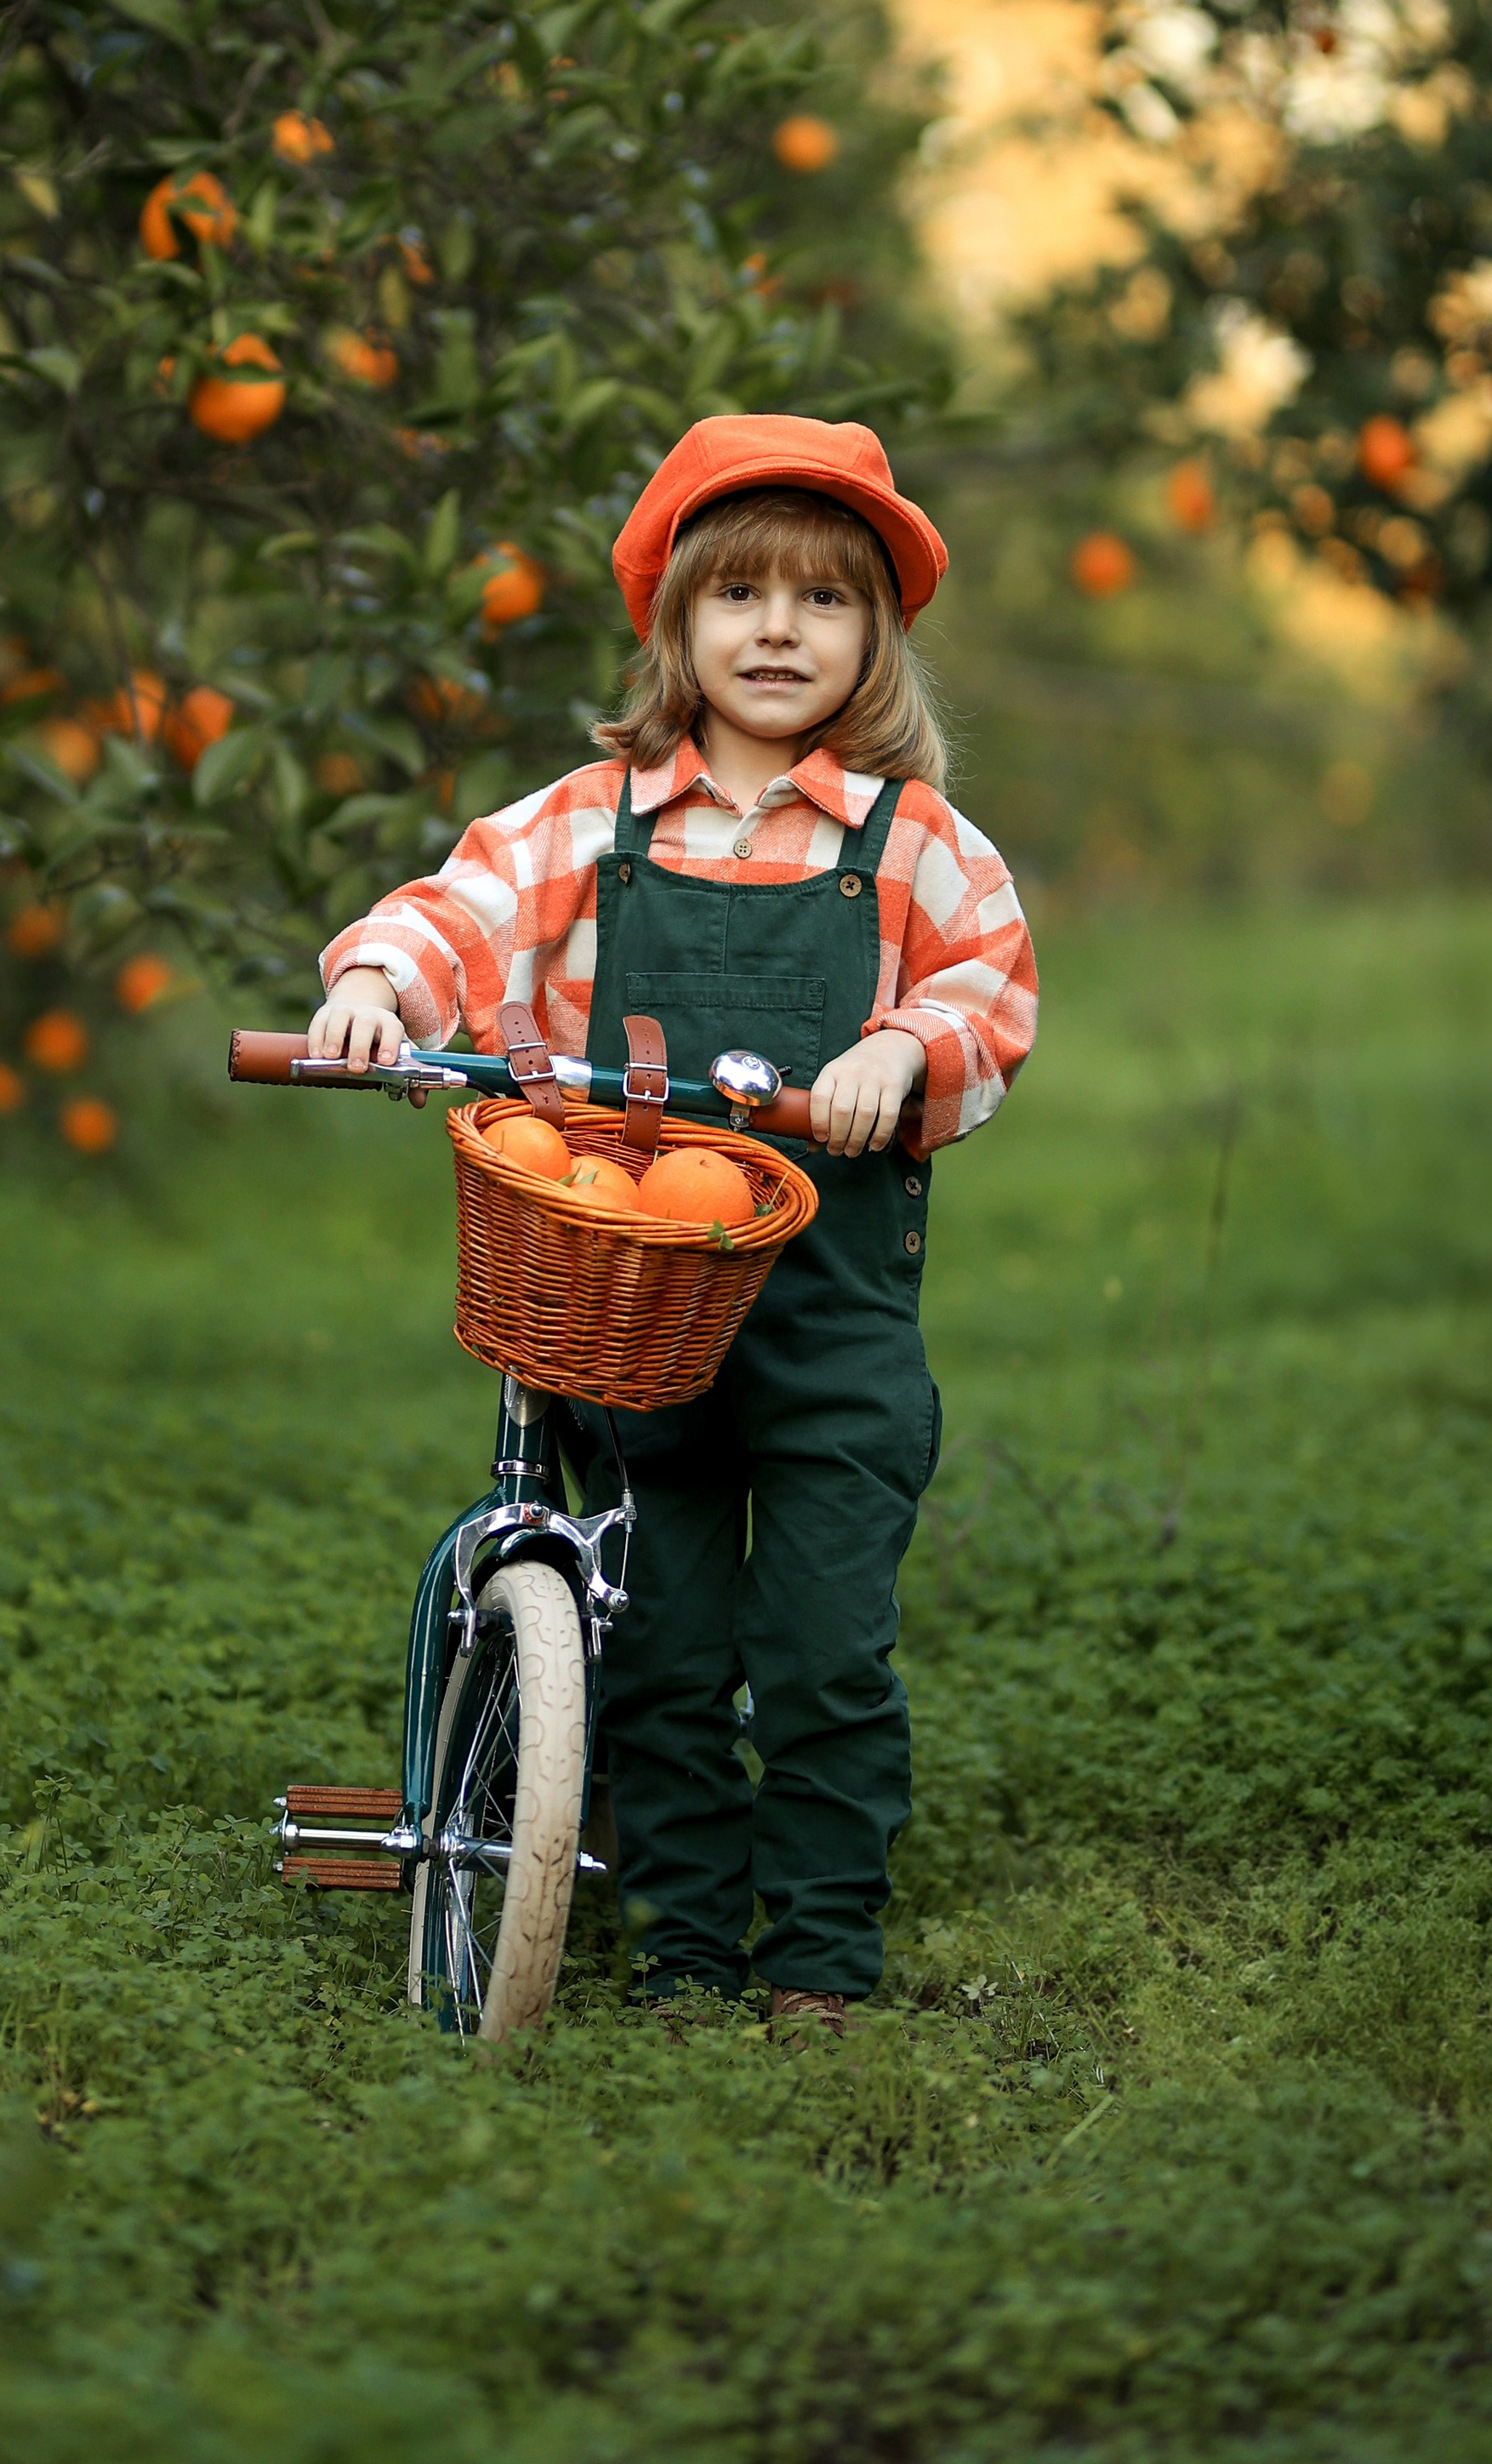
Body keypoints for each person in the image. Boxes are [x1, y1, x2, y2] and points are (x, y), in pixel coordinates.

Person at [309, 415, 1037, 2026]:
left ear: (878, 635)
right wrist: (375, 983)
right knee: (659, 1642)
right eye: (742, 598)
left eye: (823, 602)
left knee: (828, 1650)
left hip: (834, 1323)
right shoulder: (592, 821)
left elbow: (991, 992)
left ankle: (822, 1958)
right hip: (633, 1317)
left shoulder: (914, 844)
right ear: (679, 625)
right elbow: (462, 906)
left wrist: (900, 1047)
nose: (779, 631)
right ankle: (692, 1949)